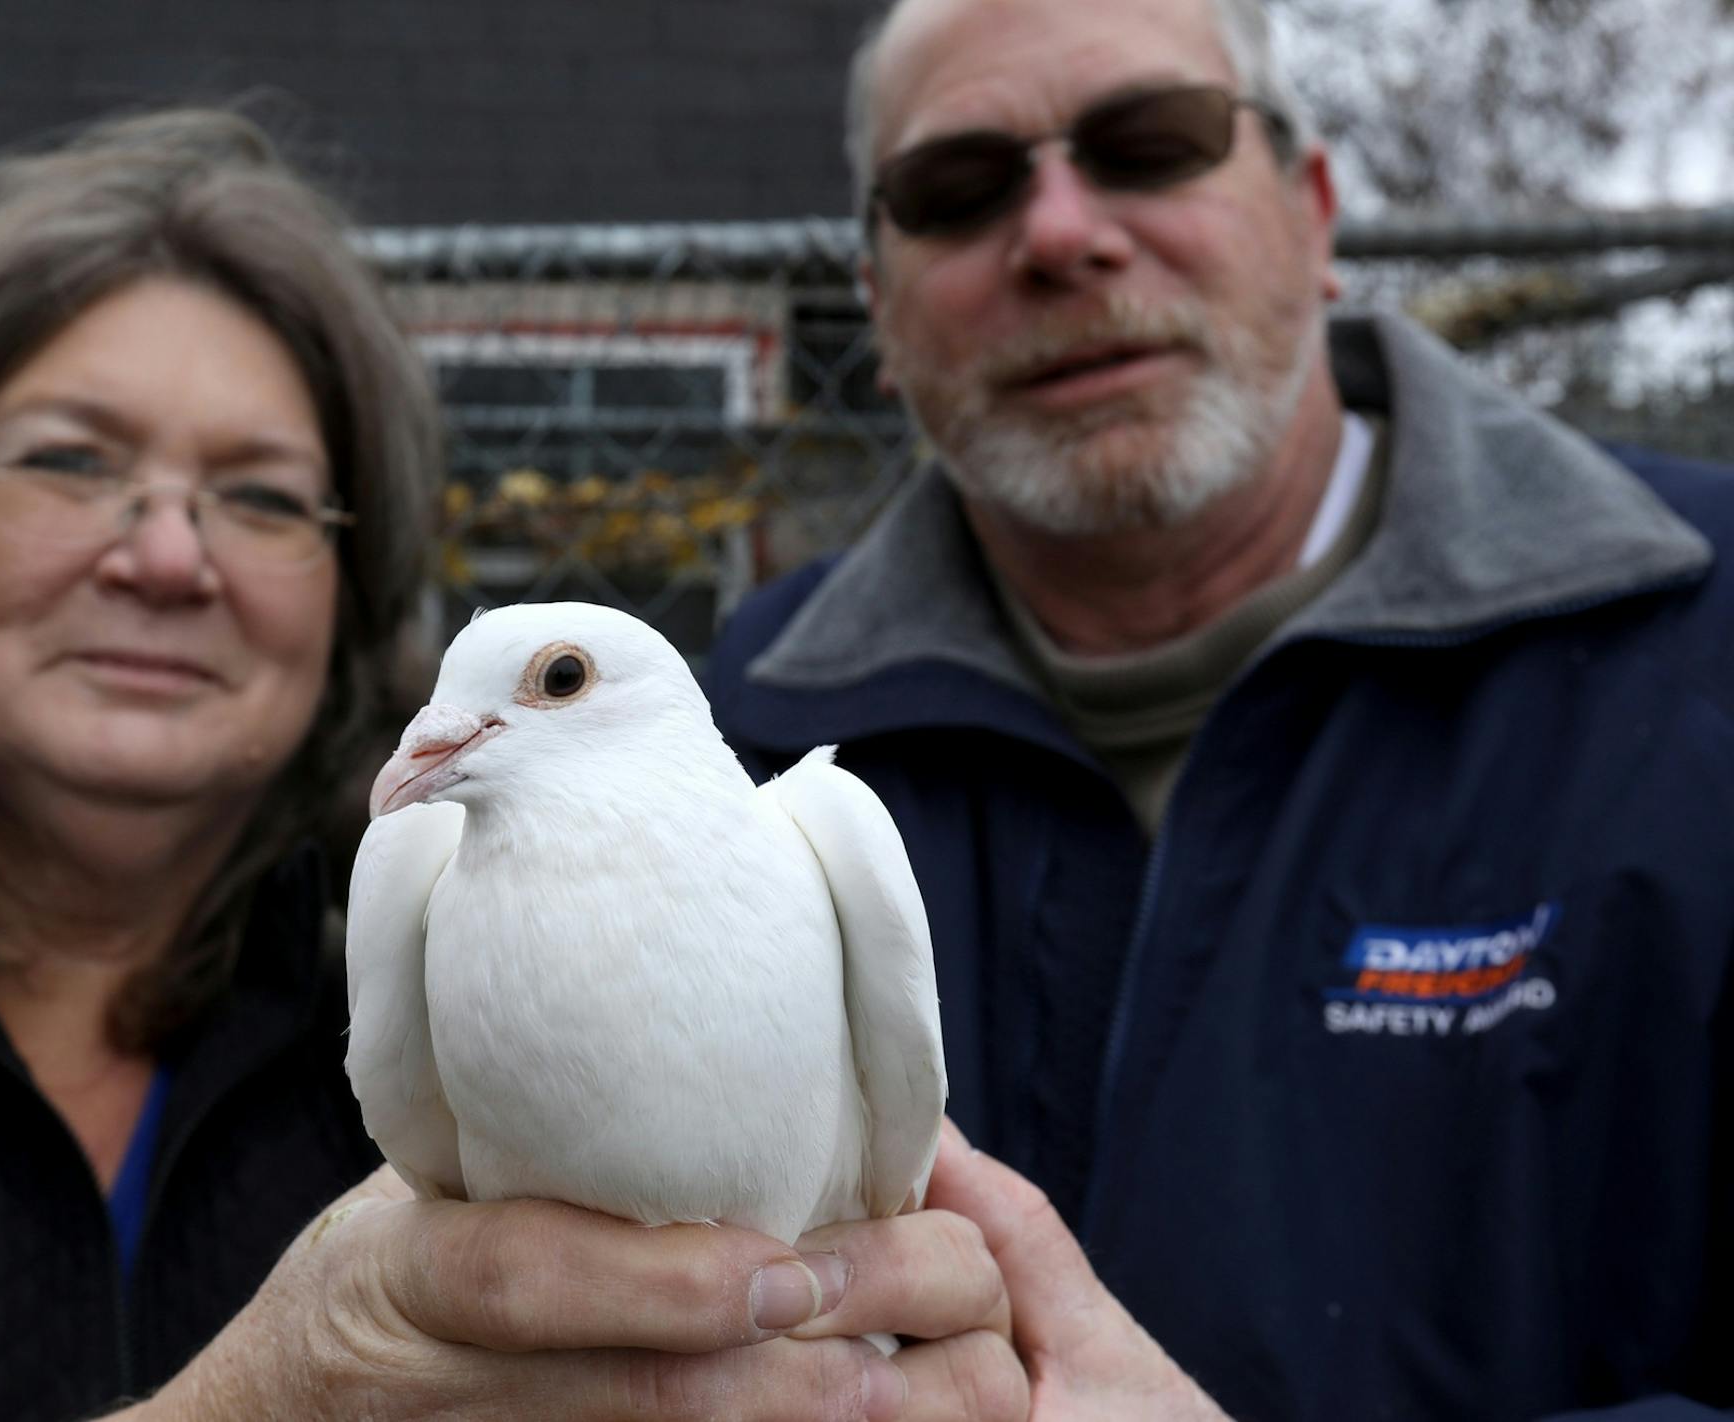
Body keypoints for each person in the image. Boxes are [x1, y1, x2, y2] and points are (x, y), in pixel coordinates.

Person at [0, 107, 1023, 1421]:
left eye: (261, 496)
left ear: (345, 593)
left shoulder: (400, 956)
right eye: (74, 461)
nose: (164, 555)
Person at [706, 0, 1734, 1417]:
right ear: (879, 310)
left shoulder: (1704, 656)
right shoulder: (734, 756)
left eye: (1150, 144)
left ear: (1314, 217)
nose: (1061, 233)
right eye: (957, 190)